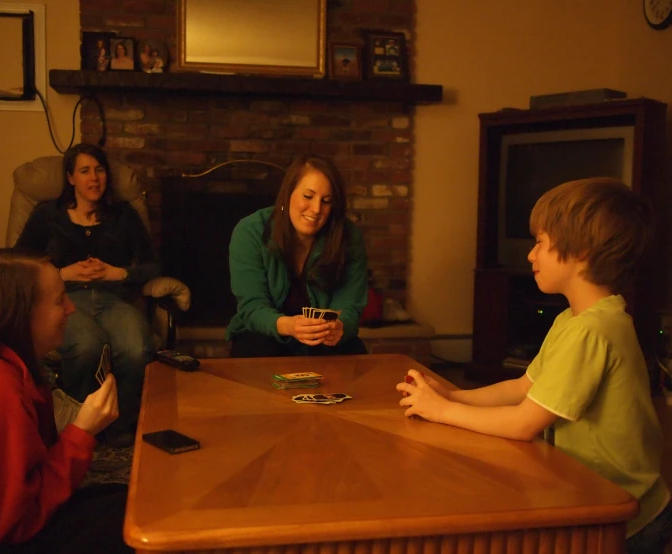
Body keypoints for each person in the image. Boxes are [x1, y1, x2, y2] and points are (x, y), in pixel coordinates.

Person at [396, 178, 671, 553]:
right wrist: (456, 395)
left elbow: (524, 422)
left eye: (540, 242)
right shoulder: (574, 321)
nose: (530, 255)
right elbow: (523, 387)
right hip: (590, 491)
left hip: (623, 511)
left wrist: (444, 410)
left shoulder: (593, 330)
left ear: (582, 251)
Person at [0, 249, 132, 554]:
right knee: (126, 525)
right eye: (58, 301)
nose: (70, 309)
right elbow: (12, 524)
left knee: (127, 499)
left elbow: (32, 476)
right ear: (18, 315)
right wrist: (82, 431)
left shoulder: (10, 368)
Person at [15, 143, 159, 448]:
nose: (94, 178)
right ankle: (82, 428)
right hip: (65, 300)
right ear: (70, 178)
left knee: (137, 346)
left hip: (113, 299)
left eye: (99, 169)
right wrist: (61, 274)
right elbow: (19, 262)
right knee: (86, 345)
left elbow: (153, 265)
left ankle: (123, 427)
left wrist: (117, 273)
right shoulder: (47, 215)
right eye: (84, 171)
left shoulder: (124, 215)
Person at [226, 154, 369, 357]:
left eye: (327, 201)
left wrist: (339, 327)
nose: (317, 209)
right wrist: (290, 326)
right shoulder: (250, 231)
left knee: (353, 350)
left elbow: (350, 306)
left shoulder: (349, 236)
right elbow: (252, 307)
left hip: (322, 340)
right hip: (265, 335)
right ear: (288, 193)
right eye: (308, 196)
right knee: (256, 343)